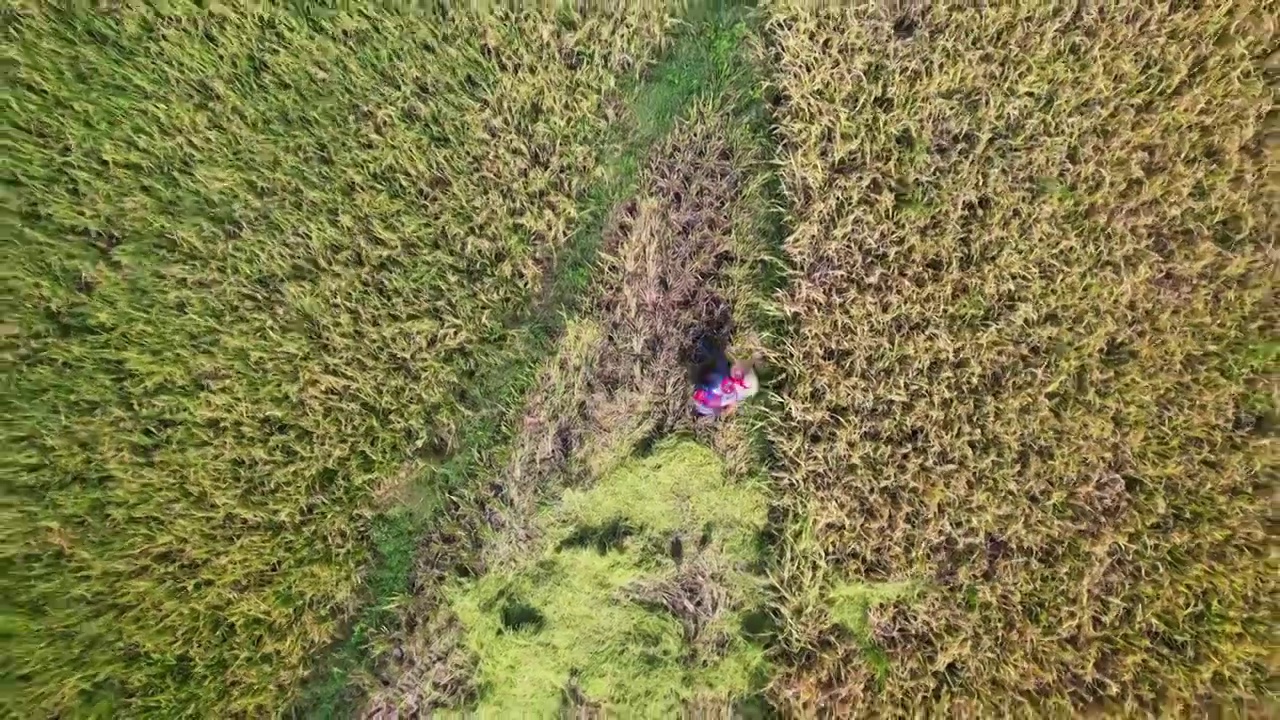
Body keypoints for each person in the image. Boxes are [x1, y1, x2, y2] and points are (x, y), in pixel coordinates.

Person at [690, 337, 759, 417]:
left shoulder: (727, 389)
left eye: (740, 377)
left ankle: (701, 343)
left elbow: (717, 401)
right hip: (703, 401)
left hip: (702, 396)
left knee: (718, 372)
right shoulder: (735, 396)